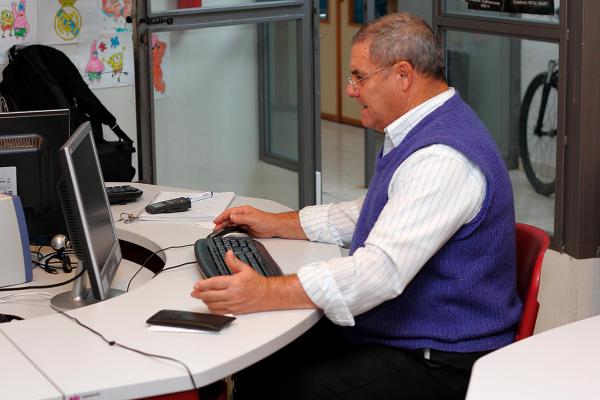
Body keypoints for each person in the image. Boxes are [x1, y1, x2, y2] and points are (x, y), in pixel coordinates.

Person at [191, 12, 522, 400]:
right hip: (407, 331)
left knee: (296, 388)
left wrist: (264, 292)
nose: (350, 89)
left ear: (402, 75)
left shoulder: (442, 158)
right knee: (263, 361)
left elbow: (377, 274)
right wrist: (280, 224)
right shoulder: (425, 129)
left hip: (442, 359)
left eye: (358, 76)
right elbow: (376, 210)